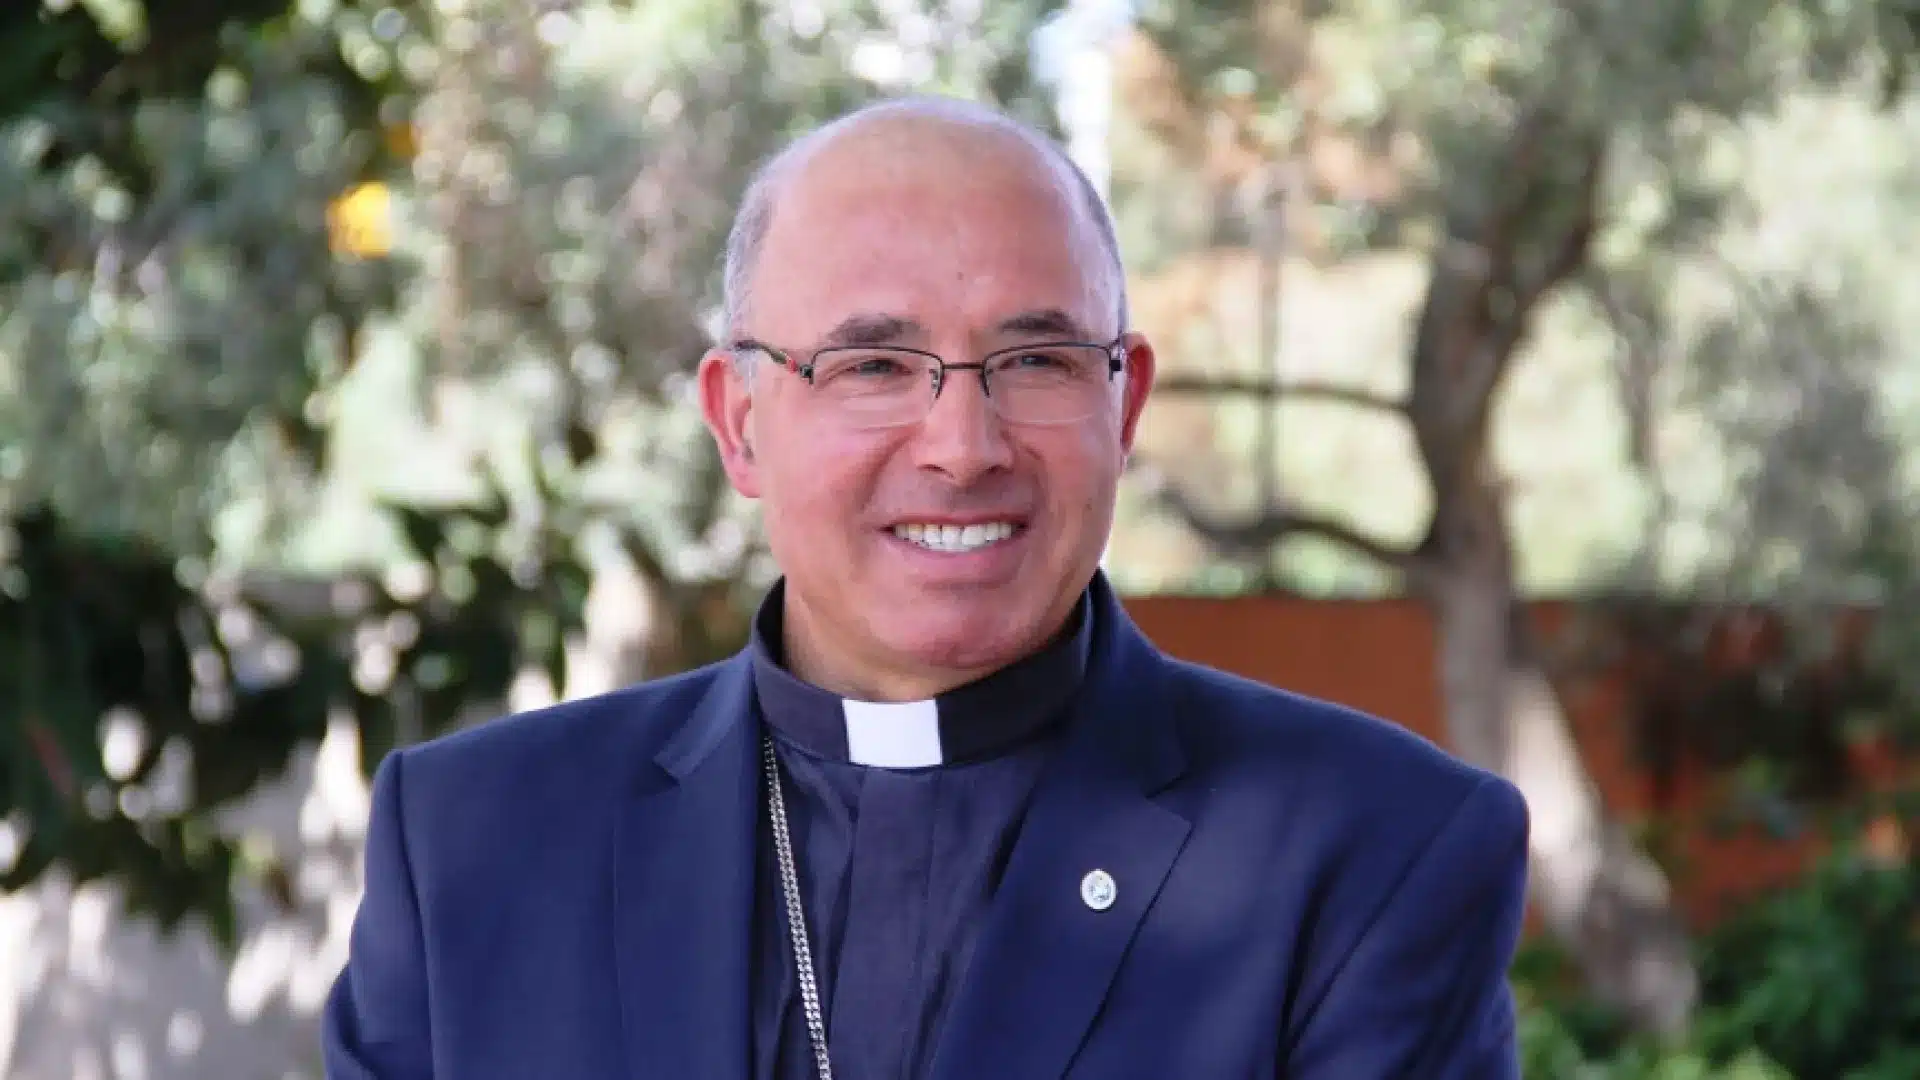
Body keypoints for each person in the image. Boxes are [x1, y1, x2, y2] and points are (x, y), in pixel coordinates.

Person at [321, 95, 1530, 1079]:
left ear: (1126, 404)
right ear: (739, 425)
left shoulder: (1375, 854)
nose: (963, 444)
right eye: (874, 363)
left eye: (1037, 359)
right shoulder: (480, 844)